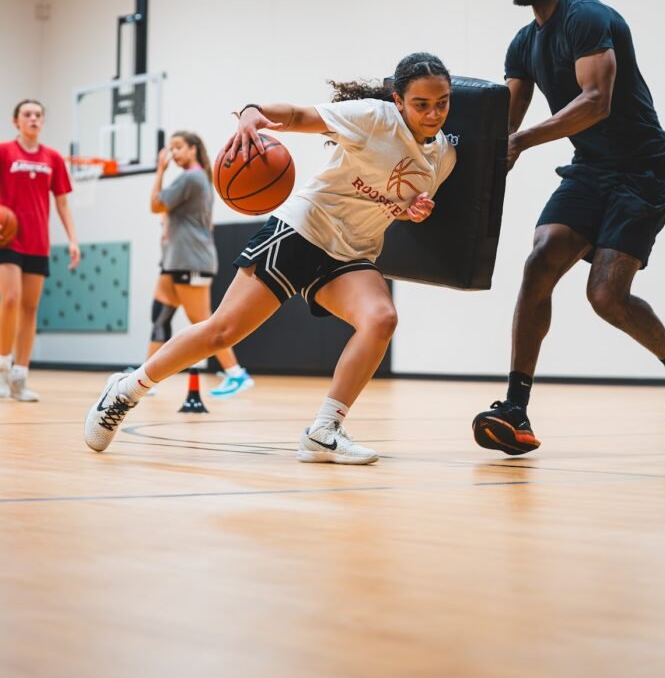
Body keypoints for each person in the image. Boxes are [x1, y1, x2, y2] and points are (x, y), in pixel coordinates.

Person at [85, 52, 457, 463]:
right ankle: (126, 390)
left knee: (381, 319)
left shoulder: (444, 156)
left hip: (352, 252)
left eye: (442, 102)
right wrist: (252, 113)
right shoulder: (374, 117)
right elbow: (298, 115)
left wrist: (411, 210)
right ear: (399, 100)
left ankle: (324, 431)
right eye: (421, 104)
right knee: (222, 332)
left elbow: (396, 200)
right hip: (302, 229)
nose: (433, 113)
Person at [472, 0, 665, 456]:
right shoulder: (523, 43)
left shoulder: (587, 17)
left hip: (643, 171)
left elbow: (595, 102)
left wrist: (519, 141)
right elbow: (507, 125)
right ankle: (516, 409)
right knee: (540, 259)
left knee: (605, 297)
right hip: (591, 169)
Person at [148, 130, 253, 397]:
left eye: (179, 147)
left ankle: (236, 374)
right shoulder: (198, 179)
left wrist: (160, 171)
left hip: (190, 260)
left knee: (203, 321)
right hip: (176, 259)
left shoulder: (191, 177)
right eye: (170, 149)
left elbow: (155, 205)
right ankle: (146, 377)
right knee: (160, 316)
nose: (173, 153)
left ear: (194, 149)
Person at [0, 99, 80, 401]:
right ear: (15, 121)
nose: (33, 119)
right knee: (10, 299)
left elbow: (62, 202)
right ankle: (2, 368)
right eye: (27, 114)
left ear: (42, 121)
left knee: (30, 308)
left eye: (38, 115)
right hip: (7, 239)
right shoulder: (4, 151)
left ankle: (20, 376)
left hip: (38, 241)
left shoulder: (53, 158)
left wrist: (73, 239)